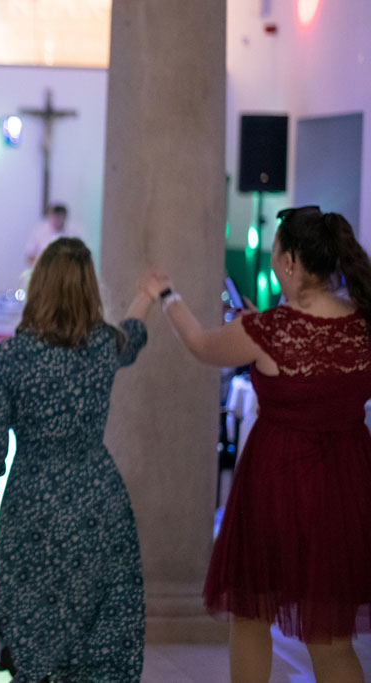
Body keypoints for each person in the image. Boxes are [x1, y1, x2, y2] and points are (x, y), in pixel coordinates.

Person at [146, 206, 371, 683]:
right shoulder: (363, 324)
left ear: (290, 262)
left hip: (278, 483)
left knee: (251, 616)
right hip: (347, 486)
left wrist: (167, 295)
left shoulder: (269, 330)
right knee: (331, 637)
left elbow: (200, 343)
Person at [0, 237, 154, 682]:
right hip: (98, 501)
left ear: (39, 285)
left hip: (33, 504)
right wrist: (147, 294)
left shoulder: (10, 357)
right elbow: (134, 333)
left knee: (33, 626)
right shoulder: (104, 346)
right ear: (89, 289)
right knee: (97, 625)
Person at [24, 203, 81, 268]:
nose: (56, 220)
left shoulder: (73, 233)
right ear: (49, 216)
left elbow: (79, 256)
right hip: (42, 268)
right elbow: (29, 256)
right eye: (54, 217)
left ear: (64, 217)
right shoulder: (39, 231)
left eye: (59, 217)